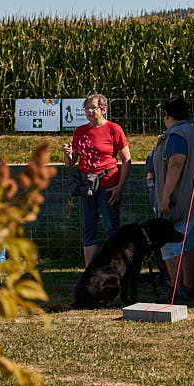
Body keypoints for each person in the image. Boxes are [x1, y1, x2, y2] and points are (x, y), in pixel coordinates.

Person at [151, 95, 194, 297]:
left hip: (179, 201)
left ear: (166, 115)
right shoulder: (190, 131)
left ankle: (174, 289)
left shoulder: (176, 135)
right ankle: (188, 286)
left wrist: (165, 196)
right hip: (193, 200)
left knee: (169, 242)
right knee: (188, 243)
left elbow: (176, 163)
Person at [63, 93, 132, 267]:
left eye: (93, 107)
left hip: (108, 185)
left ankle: (114, 269)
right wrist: (68, 154)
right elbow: (70, 163)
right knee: (88, 228)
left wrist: (119, 187)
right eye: (87, 108)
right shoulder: (80, 131)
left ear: (104, 109)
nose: (89, 111)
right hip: (85, 185)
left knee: (111, 228)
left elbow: (126, 160)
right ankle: (90, 272)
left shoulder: (114, 129)